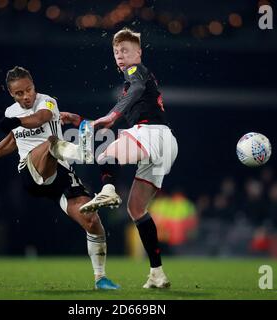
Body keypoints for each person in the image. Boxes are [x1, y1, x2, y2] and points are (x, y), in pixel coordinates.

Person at [0, 66, 119, 290]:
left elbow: (42, 118)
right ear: (11, 94)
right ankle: (82, 152)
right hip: (31, 170)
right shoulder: (11, 112)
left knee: (92, 220)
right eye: (19, 93)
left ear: (34, 86)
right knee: (50, 143)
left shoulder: (48, 102)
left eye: (28, 90)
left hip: (60, 174)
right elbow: (12, 141)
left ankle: (101, 278)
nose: (26, 96)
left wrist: (19, 122)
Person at [79, 28, 178, 289]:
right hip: (164, 142)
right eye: (116, 52)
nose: (120, 56)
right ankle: (157, 273)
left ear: (139, 53)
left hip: (151, 134)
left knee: (104, 153)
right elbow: (132, 97)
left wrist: (111, 118)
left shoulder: (135, 72)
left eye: (125, 50)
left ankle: (108, 188)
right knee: (136, 209)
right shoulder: (133, 83)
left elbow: (135, 90)